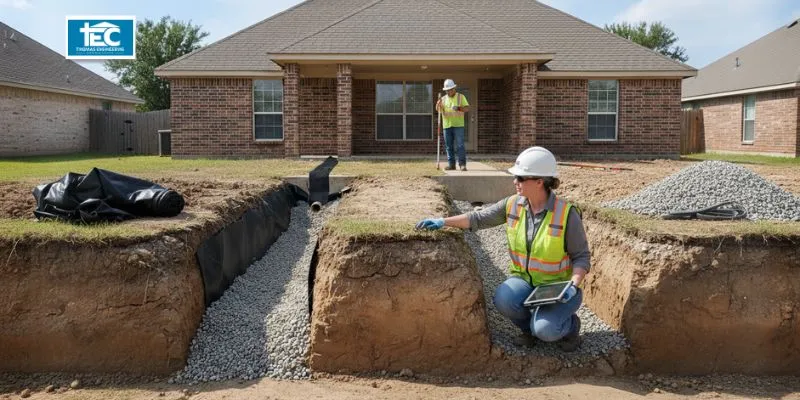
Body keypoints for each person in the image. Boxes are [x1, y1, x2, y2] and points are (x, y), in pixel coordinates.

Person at [415, 146, 590, 351]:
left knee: (546, 330)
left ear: (540, 182)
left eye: (520, 178)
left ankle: (569, 328)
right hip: (525, 282)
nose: (515, 182)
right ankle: (529, 330)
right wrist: (442, 221)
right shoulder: (513, 204)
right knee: (504, 300)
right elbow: (478, 218)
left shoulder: (566, 214)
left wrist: (573, 285)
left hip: (557, 289)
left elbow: (581, 256)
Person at [435, 79, 470, 171]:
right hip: (447, 126)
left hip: (458, 125)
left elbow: (467, 109)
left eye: (450, 89)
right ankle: (451, 165)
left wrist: (459, 108)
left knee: (460, 145)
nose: (448, 91)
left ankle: (462, 164)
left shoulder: (461, 97)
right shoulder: (443, 99)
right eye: (447, 90)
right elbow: (438, 111)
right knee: (449, 146)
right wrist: (438, 105)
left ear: (454, 88)